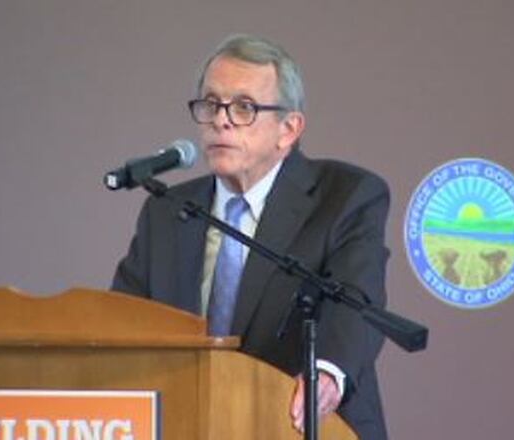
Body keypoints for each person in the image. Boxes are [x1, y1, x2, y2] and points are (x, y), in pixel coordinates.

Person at [112, 34, 389, 439]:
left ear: (289, 129)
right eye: (211, 104)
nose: (220, 120)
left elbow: (357, 299)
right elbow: (124, 320)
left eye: (243, 107)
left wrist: (326, 372)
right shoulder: (168, 211)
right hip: (186, 425)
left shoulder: (346, 196)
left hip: (299, 425)